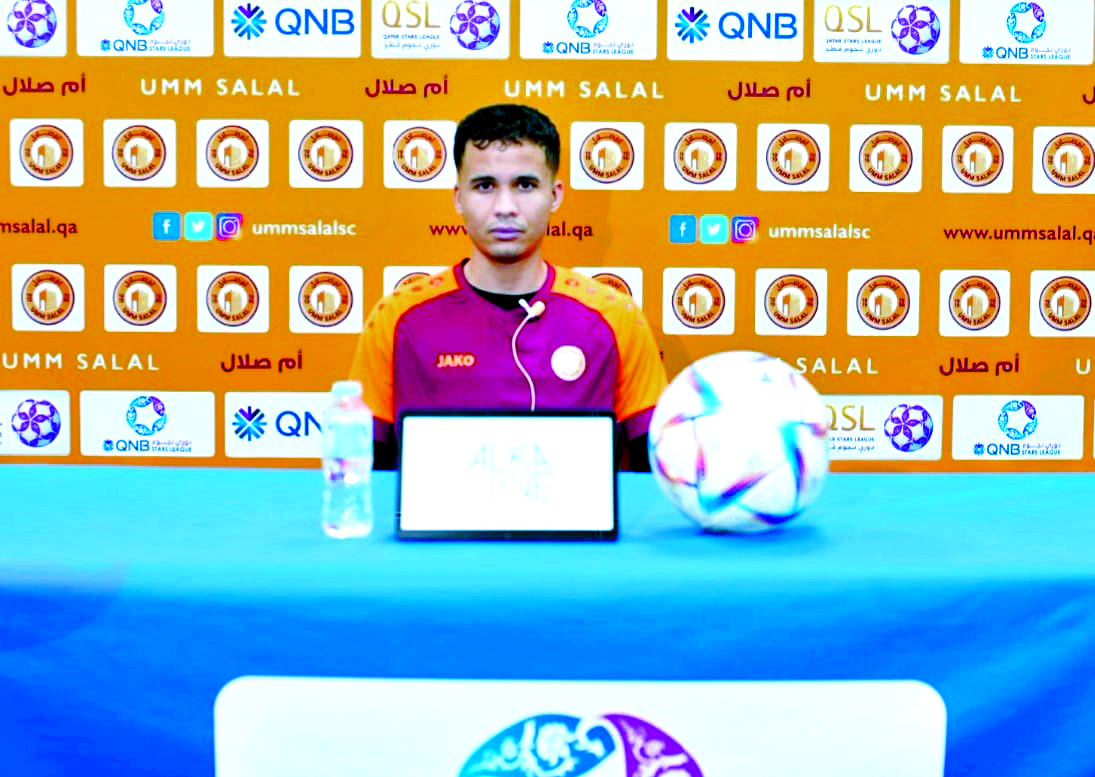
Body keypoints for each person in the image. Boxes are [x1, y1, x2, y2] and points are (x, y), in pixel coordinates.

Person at [349, 103, 667, 471]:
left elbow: (656, 478)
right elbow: (361, 474)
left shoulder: (615, 318)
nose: (505, 207)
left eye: (525, 185)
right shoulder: (397, 319)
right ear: (458, 197)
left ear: (555, 196)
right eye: (485, 186)